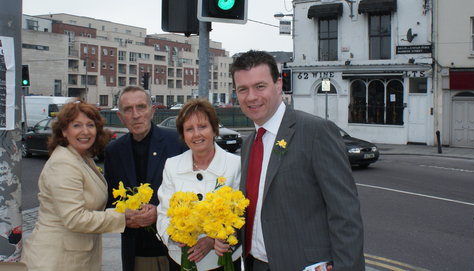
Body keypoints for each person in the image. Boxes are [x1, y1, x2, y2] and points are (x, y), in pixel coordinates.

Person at [230, 50, 365, 271]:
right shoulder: (249, 143)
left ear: (278, 85)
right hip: (256, 264)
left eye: (260, 86)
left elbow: (345, 214)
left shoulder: (315, 132)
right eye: (243, 89)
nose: (251, 97)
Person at [21, 100, 135, 271]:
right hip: (56, 260)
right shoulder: (63, 163)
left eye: (90, 125)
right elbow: (75, 218)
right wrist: (123, 217)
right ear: (64, 131)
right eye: (77, 125)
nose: (85, 131)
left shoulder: (82, 157)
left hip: (74, 257)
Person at [104, 86, 187, 271]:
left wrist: (158, 212)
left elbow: (193, 193)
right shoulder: (114, 151)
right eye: (128, 109)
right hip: (137, 252)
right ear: (120, 116)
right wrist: (125, 216)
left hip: (177, 250)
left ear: (152, 111)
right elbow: (110, 202)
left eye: (141, 107)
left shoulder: (177, 143)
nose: (135, 115)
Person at [156, 99, 242, 271]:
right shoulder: (172, 165)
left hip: (223, 262)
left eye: (202, 127)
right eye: (189, 129)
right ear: (183, 135)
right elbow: (163, 213)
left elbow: (243, 215)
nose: (196, 134)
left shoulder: (235, 164)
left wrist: (213, 240)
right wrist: (175, 236)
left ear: (214, 129)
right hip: (182, 259)